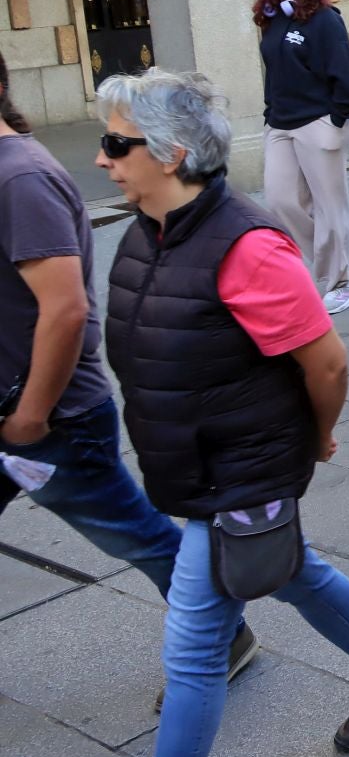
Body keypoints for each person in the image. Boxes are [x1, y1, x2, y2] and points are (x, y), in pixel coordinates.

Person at [96, 69, 349, 757]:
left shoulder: (246, 245)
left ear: (170, 152)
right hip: (200, 467)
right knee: (289, 569)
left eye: (116, 143)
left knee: (192, 650)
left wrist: (313, 442)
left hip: (239, 472)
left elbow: (328, 363)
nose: (102, 159)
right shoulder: (145, 230)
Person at [0, 53, 262, 715]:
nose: (103, 159)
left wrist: (32, 416)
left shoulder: (20, 180)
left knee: (143, 535)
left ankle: (224, 631)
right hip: (23, 406)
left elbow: (65, 310)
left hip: (45, 415)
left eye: (116, 144)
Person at [254, 0, 349, 315]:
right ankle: (343, 253)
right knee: (281, 198)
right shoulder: (273, 16)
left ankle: (340, 281)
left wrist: (338, 117)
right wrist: (271, 111)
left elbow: (346, 74)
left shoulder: (323, 18)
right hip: (281, 122)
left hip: (320, 120)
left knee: (329, 204)